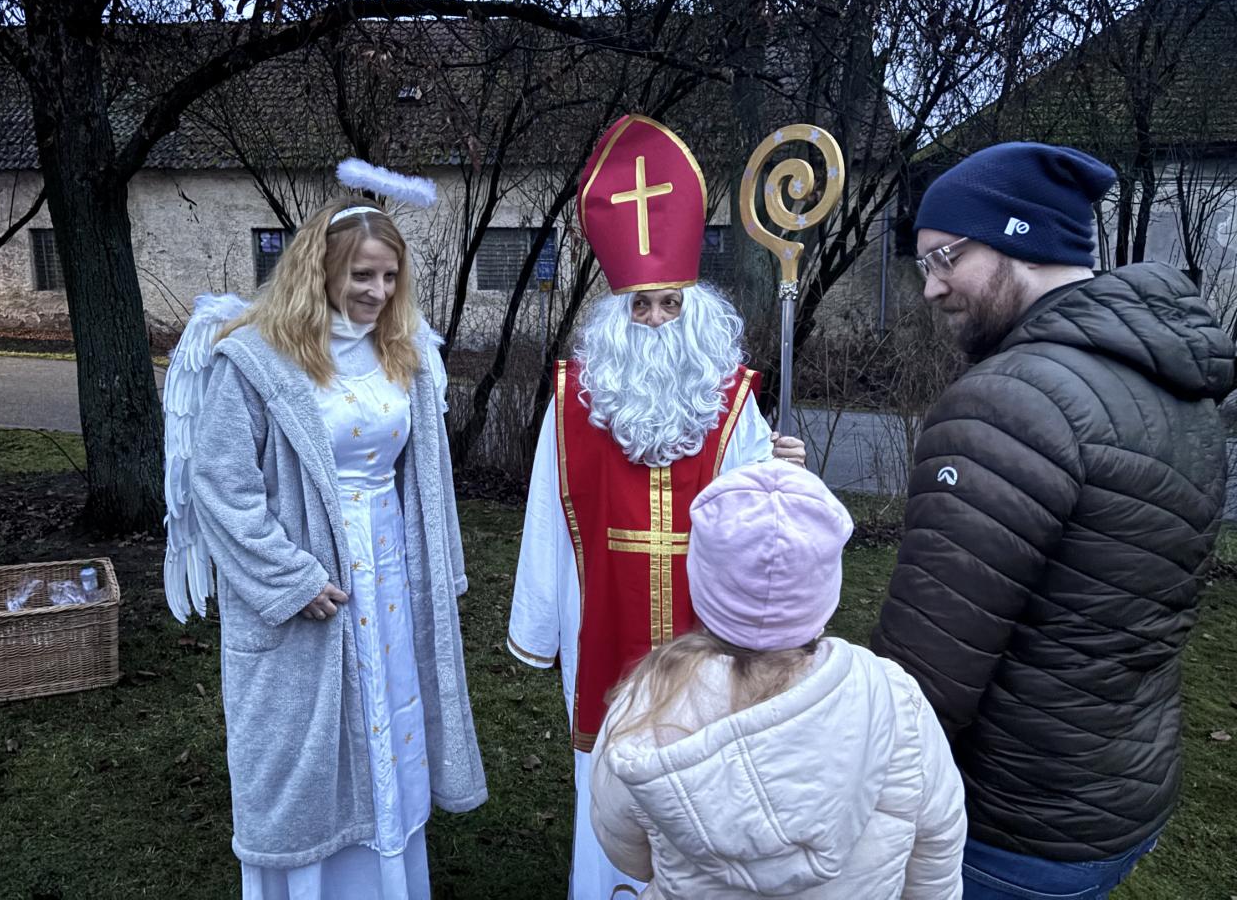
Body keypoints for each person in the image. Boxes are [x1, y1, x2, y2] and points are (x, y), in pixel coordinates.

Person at [870, 142, 1235, 899]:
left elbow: (925, 674)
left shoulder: (1009, 401)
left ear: (1021, 239)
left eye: (946, 258)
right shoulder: (1176, 389)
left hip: (1008, 824)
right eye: (924, 265)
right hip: (1119, 794)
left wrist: (857, 795)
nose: (931, 287)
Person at [506, 113, 806, 899]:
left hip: (709, 635)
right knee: (611, 778)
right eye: (640, 307)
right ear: (616, 315)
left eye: (670, 304)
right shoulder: (574, 402)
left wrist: (785, 479)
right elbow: (545, 519)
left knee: (704, 778)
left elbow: (764, 526)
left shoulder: (733, 403)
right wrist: (539, 624)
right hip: (600, 621)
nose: (656, 322)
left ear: (695, 307)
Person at [173, 196, 486, 898]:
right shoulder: (256, 359)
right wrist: (290, 579)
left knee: (389, 717)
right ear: (320, 270)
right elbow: (221, 485)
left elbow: (425, 478)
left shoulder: (401, 354)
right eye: (361, 275)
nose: (378, 292)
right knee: (308, 754)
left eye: (390, 276)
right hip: (311, 575)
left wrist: (438, 569)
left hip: (389, 573)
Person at [590, 461, 967, 899]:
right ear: (825, 585)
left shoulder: (651, 706)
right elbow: (936, 859)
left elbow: (626, 852)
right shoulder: (895, 700)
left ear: (704, 580)